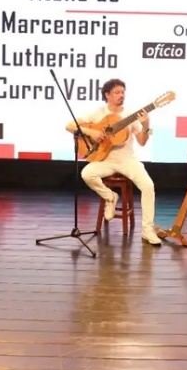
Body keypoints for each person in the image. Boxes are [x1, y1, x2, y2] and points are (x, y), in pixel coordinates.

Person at [67, 78, 161, 245]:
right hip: (104, 159)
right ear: (107, 95)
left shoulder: (130, 115)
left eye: (123, 92)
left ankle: (147, 230)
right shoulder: (98, 113)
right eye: (117, 92)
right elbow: (70, 126)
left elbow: (142, 142)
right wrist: (92, 132)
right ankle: (110, 197)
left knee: (148, 186)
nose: (121, 95)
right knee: (87, 173)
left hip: (127, 159)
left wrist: (146, 125)